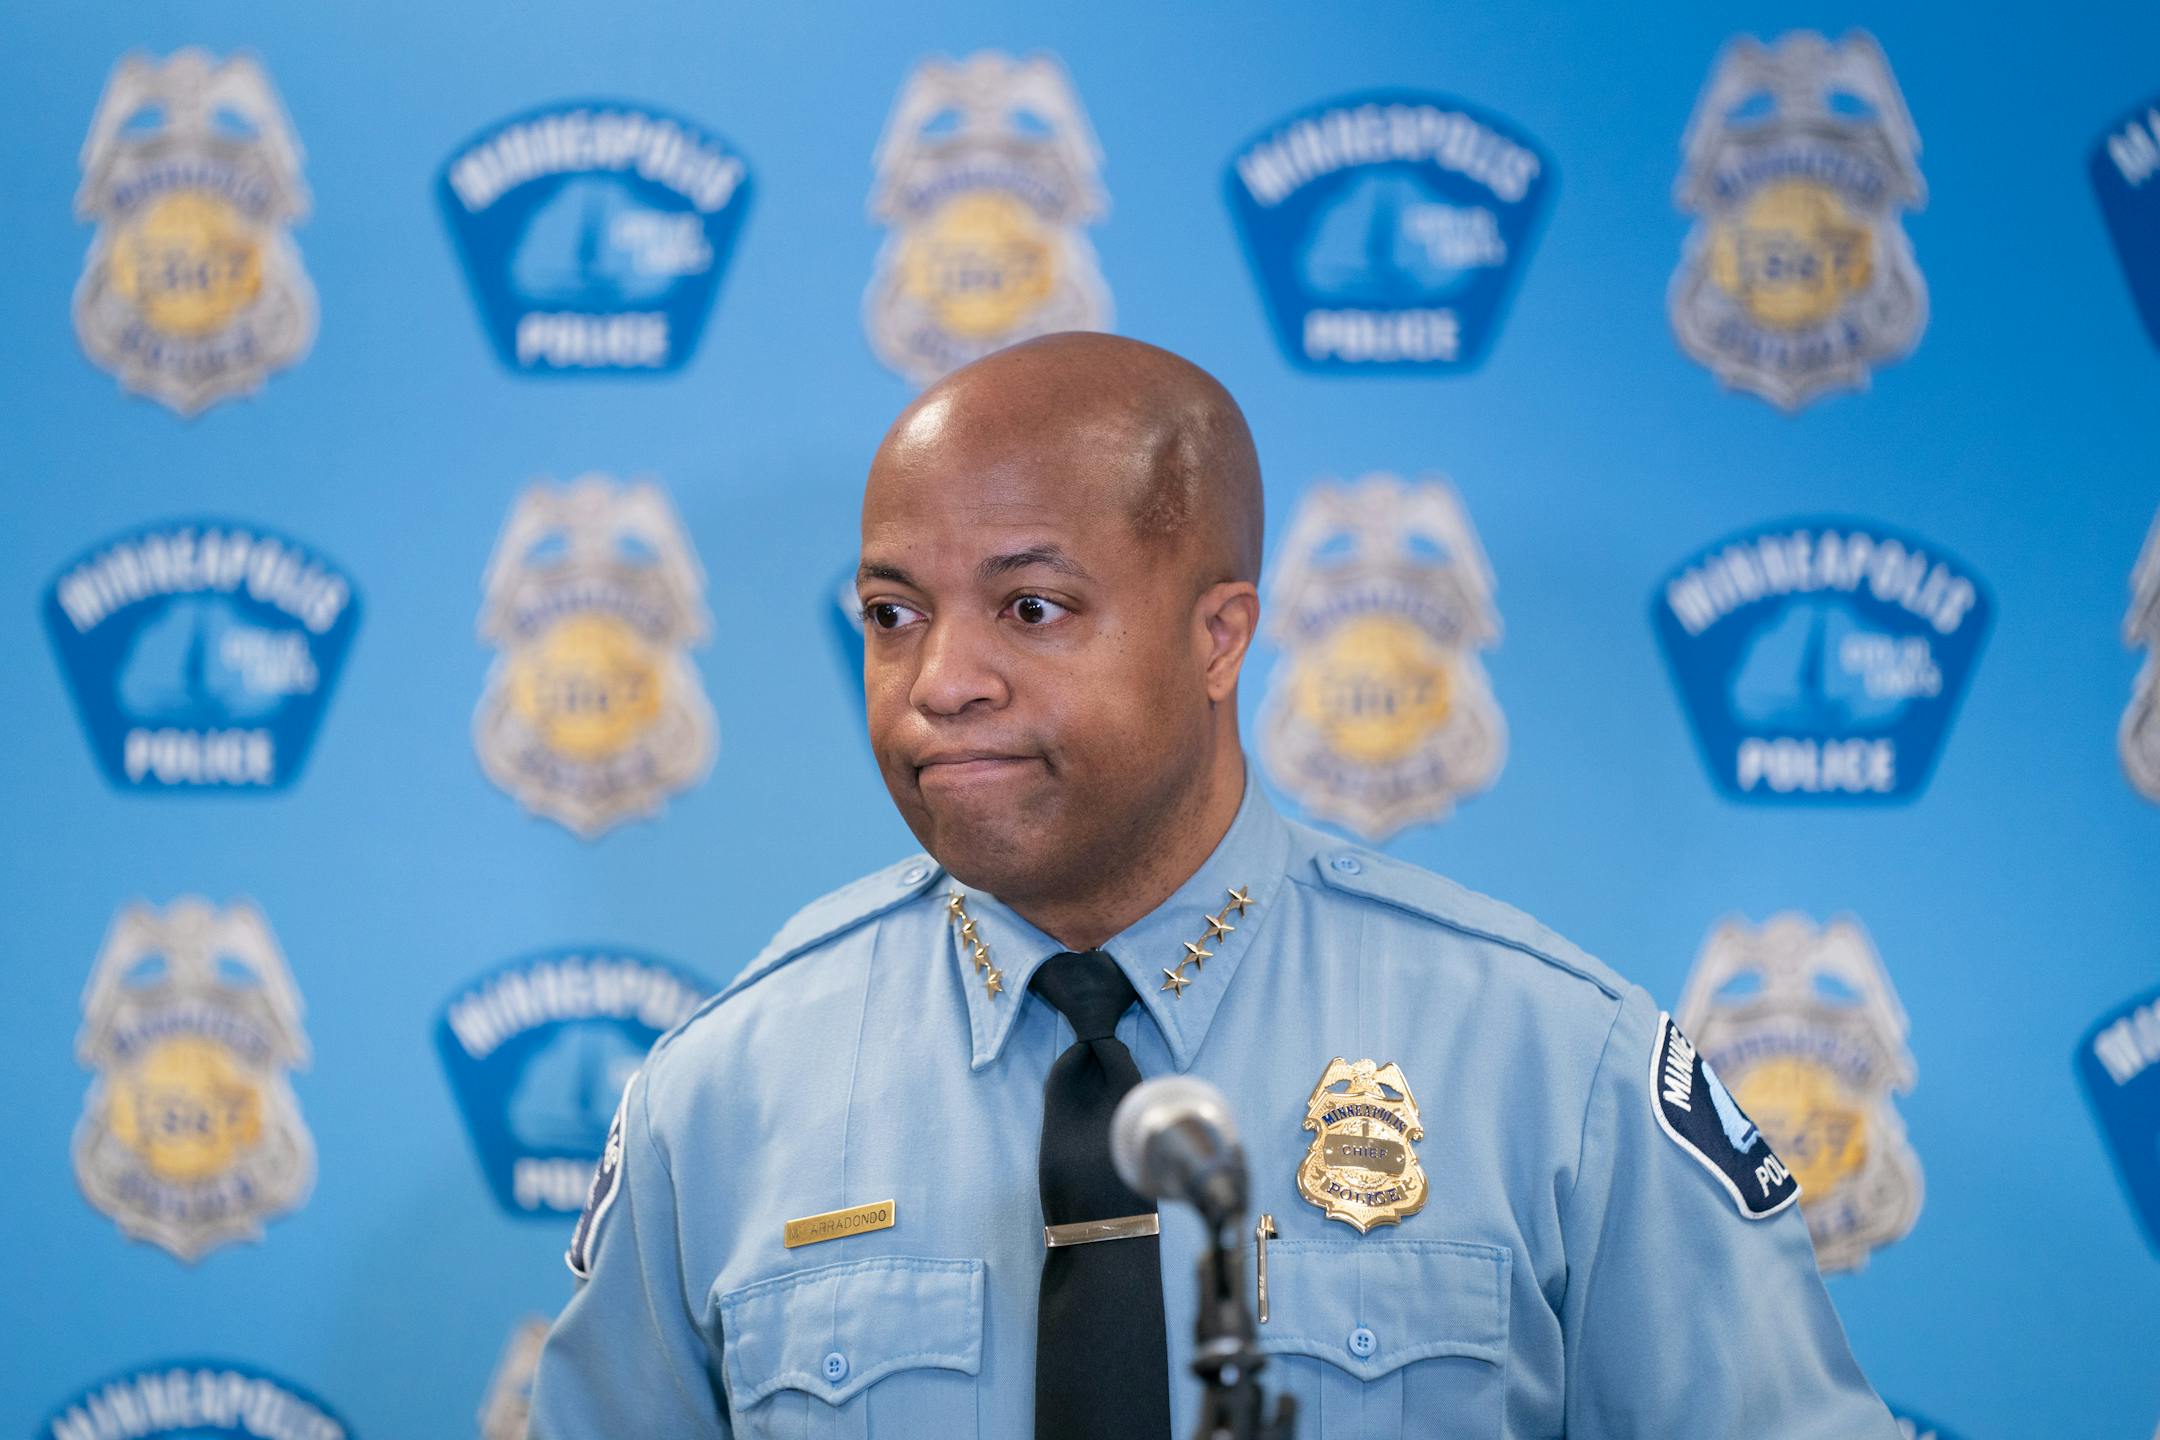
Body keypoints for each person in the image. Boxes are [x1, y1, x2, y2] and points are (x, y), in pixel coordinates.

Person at [529, 332, 1901, 1439]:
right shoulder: (720, 1097)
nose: (941, 682)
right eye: (893, 616)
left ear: (1220, 636)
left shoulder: (1553, 1067)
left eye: (1031, 609)